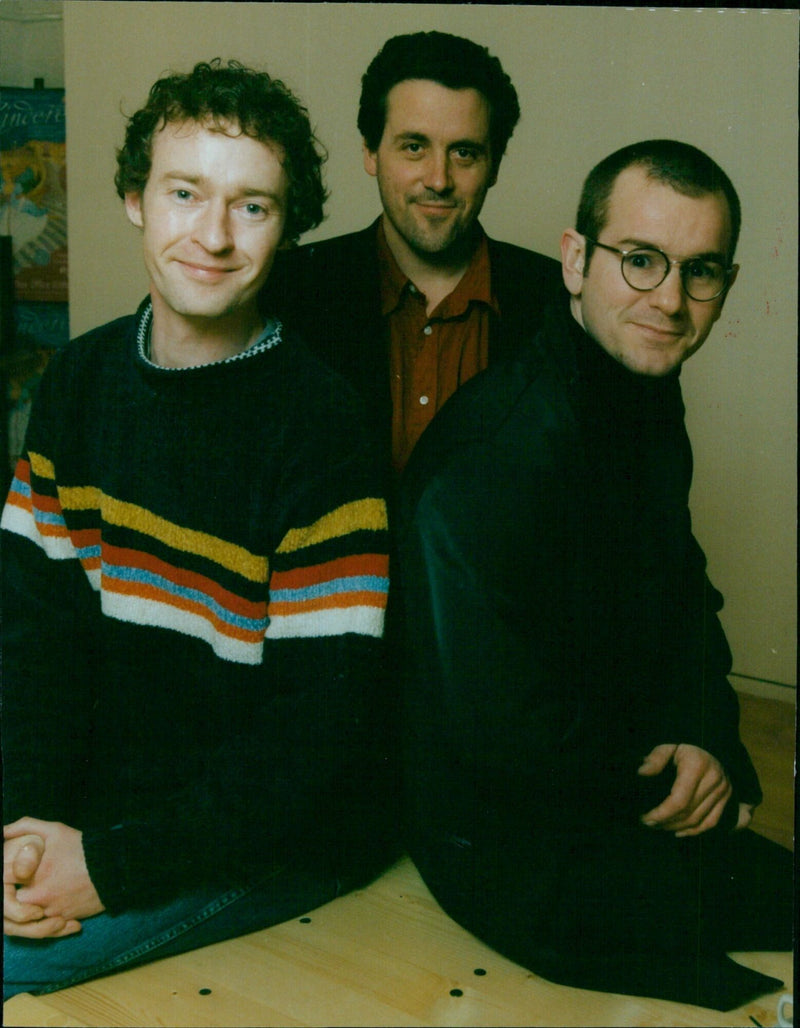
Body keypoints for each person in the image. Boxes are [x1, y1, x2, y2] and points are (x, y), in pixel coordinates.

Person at [2, 59, 398, 999]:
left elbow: (315, 736)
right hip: (101, 810)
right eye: (186, 193)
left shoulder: (324, 428)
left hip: (267, 833)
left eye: (253, 207)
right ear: (135, 198)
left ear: (287, 228)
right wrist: (23, 828)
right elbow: (30, 640)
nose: (213, 237)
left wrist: (105, 867)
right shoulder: (81, 381)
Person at [397, 139, 793, 1011]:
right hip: (505, 828)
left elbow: (680, 591)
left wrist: (709, 740)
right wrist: (674, 782)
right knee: (735, 989)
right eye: (641, 260)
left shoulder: (641, 387)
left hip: (608, 776)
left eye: (701, 272)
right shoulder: (501, 446)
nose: (670, 301)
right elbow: (491, 722)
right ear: (577, 262)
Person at [263, 30, 562, 474]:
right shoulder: (286, 290)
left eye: (464, 153)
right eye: (414, 147)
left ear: (494, 165)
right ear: (370, 152)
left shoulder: (563, 304)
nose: (438, 179)